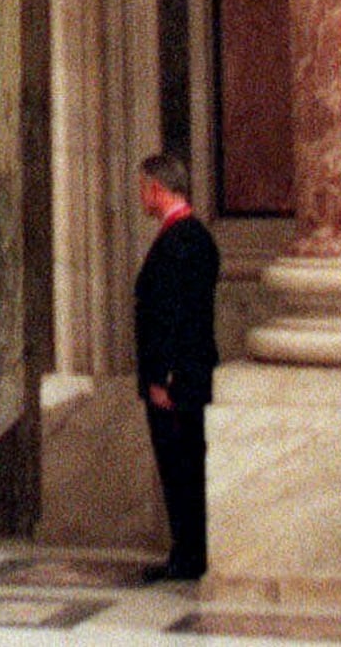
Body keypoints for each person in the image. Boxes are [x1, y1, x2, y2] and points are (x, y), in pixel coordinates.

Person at [135, 151, 220, 582]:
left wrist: (162, 377)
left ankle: (189, 555)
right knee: (181, 466)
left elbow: (176, 317)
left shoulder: (181, 240)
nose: (140, 196)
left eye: (142, 187)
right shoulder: (190, 236)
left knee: (182, 467)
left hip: (177, 382)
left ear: (156, 187)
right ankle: (185, 551)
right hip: (185, 376)